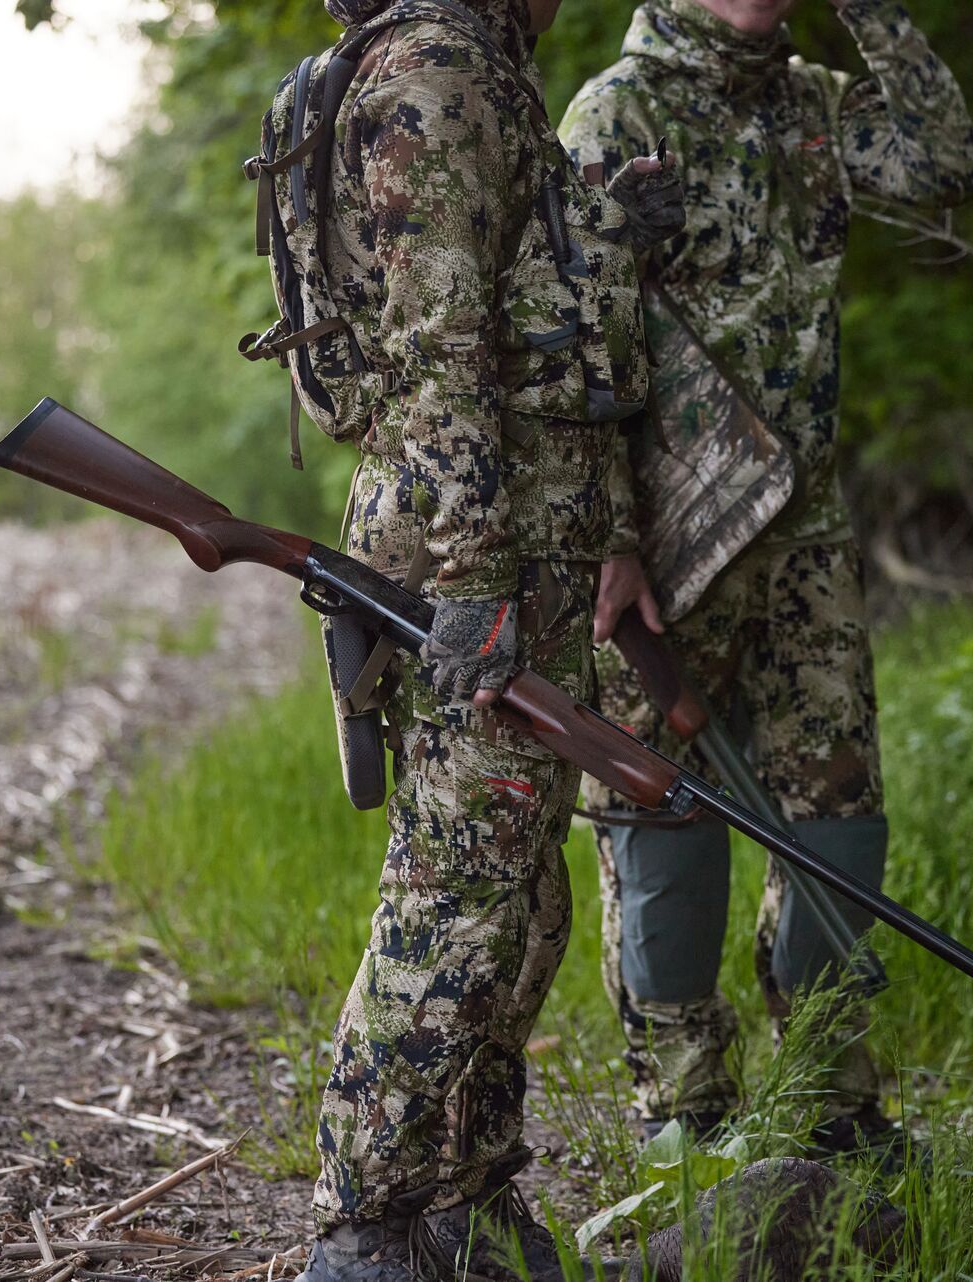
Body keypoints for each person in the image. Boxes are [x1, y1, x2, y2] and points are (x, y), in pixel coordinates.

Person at [292, 1, 682, 1278]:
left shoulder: (491, 74)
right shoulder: (441, 73)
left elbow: (560, 345)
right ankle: (368, 1226)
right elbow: (439, 347)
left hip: (543, 534)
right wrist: (475, 576)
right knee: (454, 898)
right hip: (480, 546)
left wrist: (613, 533)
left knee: (521, 899)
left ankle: (462, 1199)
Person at [558, 0, 973, 1151]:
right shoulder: (615, 112)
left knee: (840, 825)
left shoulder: (815, 106)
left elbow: (946, 162)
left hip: (806, 536)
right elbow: (575, 340)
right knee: (663, 816)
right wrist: (610, 531)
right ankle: (685, 1112)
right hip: (667, 543)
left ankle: (824, 1101)